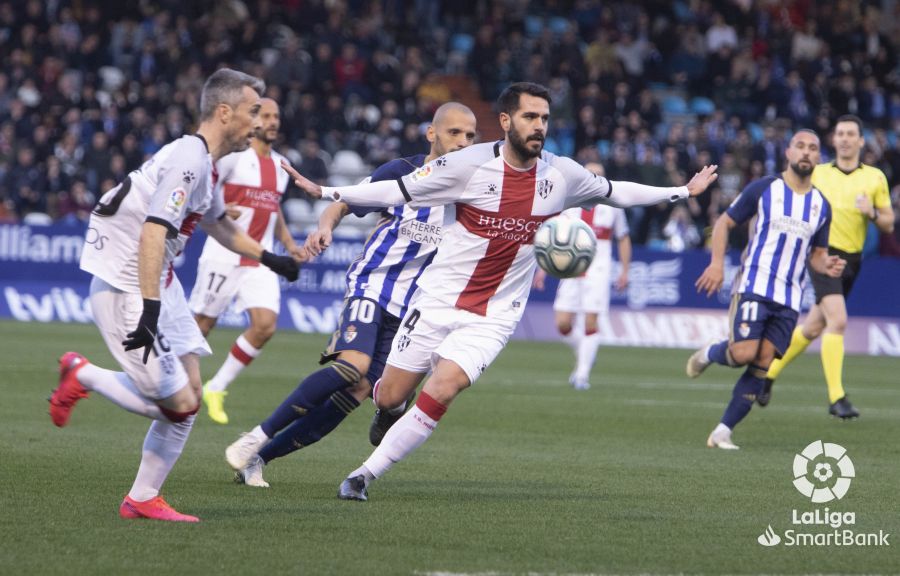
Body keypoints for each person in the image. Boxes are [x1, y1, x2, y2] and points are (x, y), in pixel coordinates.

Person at [260, 81, 718, 501]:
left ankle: (363, 475)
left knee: (446, 384)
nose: (539, 126)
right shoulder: (465, 165)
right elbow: (395, 191)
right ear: (506, 121)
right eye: (529, 117)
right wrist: (324, 192)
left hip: (496, 313)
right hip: (436, 300)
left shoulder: (561, 176)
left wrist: (681, 191)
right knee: (387, 394)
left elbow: (618, 192)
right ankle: (387, 408)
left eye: (544, 118)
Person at [47, 69, 303, 522]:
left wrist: (270, 258)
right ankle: (82, 374)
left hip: (159, 282)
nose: (259, 120)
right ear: (224, 113)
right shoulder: (188, 158)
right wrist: (149, 310)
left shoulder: (204, 164)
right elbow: (153, 231)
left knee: (191, 395)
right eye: (252, 111)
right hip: (129, 287)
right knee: (179, 404)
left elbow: (219, 225)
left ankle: (143, 498)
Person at [224, 103, 477, 487]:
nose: (463, 142)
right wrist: (324, 227)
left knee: (358, 392)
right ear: (432, 134)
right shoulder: (401, 174)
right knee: (352, 367)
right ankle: (254, 436)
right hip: (371, 286)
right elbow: (343, 203)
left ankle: (259, 458)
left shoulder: (473, 193)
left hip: (414, 308)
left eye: (470, 136)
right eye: (455, 133)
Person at [686, 130, 846, 450]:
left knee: (762, 364)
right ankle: (710, 352)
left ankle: (722, 432)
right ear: (788, 152)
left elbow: (816, 254)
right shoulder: (764, 189)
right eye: (800, 146)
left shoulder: (821, 206)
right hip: (754, 285)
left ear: (819, 157)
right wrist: (717, 264)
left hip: (789, 299)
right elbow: (724, 223)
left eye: (813, 148)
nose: (806, 152)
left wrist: (824, 264)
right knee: (743, 352)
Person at [761, 115, 893, 418]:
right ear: (833, 141)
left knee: (813, 327)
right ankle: (837, 397)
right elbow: (787, 192)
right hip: (821, 254)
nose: (845, 139)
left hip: (853, 260)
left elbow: (888, 223)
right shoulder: (817, 173)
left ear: (861, 141)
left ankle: (768, 372)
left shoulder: (874, 178)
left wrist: (871, 211)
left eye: (851, 134)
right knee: (839, 320)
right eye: (840, 134)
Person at [188, 97, 305, 425]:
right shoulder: (233, 159)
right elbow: (205, 184)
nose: (272, 121)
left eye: (276, 116)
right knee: (201, 326)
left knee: (266, 325)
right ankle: (176, 385)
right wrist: (219, 208)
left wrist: (289, 243)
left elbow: (273, 208)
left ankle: (217, 386)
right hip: (223, 254)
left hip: (260, 260)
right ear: (253, 121)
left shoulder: (281, 166)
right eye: (265, 115)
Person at [533, 161, 631, 390]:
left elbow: (624, 237)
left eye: (600, 175)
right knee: (563, 324)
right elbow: (553, 239)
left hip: (598, 269)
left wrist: (625, 270)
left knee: (590, 322)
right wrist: (542, 269)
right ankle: (586, 353)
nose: (595, 179)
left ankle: (581, 374)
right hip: (570, 269)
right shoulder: (569, 202)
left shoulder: (614, 205)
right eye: (591, 174)